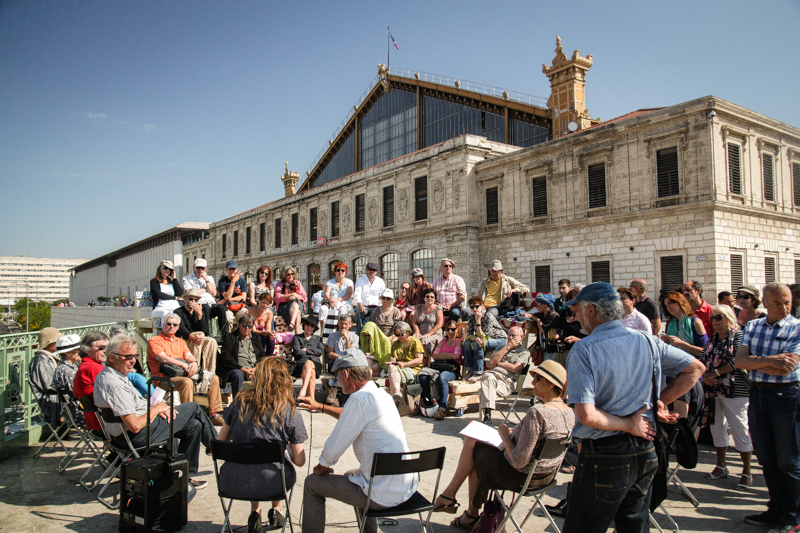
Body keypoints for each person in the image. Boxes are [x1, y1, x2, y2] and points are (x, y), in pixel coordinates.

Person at [561, 282, 704, 533]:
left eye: (579, 310)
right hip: (644, 450)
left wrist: (631, 422)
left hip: (605, 454)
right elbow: (695, 369)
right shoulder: (646, 340)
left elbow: (587, 415)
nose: (577, 317)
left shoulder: (584, 348)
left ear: (591, 310)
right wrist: (660, 402)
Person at [433, 360, 574, 529]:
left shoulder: (538, 412)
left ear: (551, 384)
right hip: (545, 477)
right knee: (475, 444)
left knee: (476, 452)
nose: (533, 383)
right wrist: (519, 432)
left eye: (537, 379)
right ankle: (457, 502)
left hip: (521, 477)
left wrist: (504, 435)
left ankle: (464, 508)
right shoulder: (569, 413)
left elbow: (519, 460)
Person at [297, 349, 418, 533]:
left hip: (382, 494)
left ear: (346, 374)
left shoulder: (358, 400)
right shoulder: (382, 395)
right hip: (406, 485)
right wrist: (321, 407)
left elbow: (333, 449)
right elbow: (350, 416)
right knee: (351, 474)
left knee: (312, 484)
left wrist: (322, 467)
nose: (338, 381)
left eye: (338, 376)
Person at [94, 333, 216, 490]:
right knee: (192, 407)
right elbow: (134, 426)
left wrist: (158, 409)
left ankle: (184, 476)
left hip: (133, 431)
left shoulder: (112, 375)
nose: (133, 361)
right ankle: (216, 445)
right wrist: (157, 409)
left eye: (134, 356)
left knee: (194, 426)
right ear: (112, 357)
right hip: (134, 436)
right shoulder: (114, 384)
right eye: (128, 357)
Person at [735, 283, 800, 532]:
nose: (784, 308)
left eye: (787, 302)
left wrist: (755, 362)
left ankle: (792, 516)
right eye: (777, 303)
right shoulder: (753, 326)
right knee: (767, 458)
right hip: (759, 394)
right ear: (765, 302)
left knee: (788, 460)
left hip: (786, 396)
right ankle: (776, 510)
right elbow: (740, 361)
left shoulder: (797, 327)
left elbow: (788, 367)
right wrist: (772, 360)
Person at [217, 357, 307, 532]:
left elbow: (221, 443)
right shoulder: (289, 410)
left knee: (252, 453)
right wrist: (287, 445)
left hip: (233, 480)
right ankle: (277, 509)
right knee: (276, 460)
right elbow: (300, 460)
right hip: (274, 483)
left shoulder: (239, 402)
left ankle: (255, 511)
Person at [697, 304, 752, 490]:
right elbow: (703, 359)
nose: (715, 321)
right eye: (713, 318)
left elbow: (738, 360)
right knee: (717, 427)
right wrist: (706, 376)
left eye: (719, 317)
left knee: (739, 428)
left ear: (730, 318)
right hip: (713, 390)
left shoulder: (738, 336)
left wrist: (716, 373)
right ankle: (721, 465)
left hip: (735, 389)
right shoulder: (713, 339)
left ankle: (747, 471)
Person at [147, 312, 225, 426]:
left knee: (213, 378)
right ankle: (189, 415)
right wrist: (183, 365)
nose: (171, 326)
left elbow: (188, 355)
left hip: (182, 373)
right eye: (168, 324)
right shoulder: (155, 340)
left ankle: (214, 414)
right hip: (163, 379)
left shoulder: (180, 341)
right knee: (186, 382)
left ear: (178, 327)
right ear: (163, 325)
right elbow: (162, 358)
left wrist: (193, 363)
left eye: (174, 325)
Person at [478, 326, 531, 427]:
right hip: (492, 377)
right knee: (488, 378)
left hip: (506, 382)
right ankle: (487, 418)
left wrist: (498, 364)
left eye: (513, 335)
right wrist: (507, 347)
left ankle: (486, 418)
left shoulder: (524, 352)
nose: (510, 338)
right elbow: (491, 362)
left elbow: (515, 368)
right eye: (509, 335)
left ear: (521, 337)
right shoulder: (502, 348)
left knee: (484, 387)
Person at [418, 319, 463, 420]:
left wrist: (442, 354)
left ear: (456, 330)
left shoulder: (458, 342)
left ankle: (442, 406)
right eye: (448, 329)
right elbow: (435, 355)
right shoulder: (442, 342)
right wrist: (448, 355)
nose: (450, 332)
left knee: (442, 377)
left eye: (453, 329)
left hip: (452, 369)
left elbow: (456, 356)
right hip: (439, 367)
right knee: (423, 375)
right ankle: (428, 401)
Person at [218, 314, 267, 398]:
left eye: (250, 326)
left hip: (254, 368)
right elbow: (226, 357)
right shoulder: (230, 338)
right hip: (237, 368)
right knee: (237, 374)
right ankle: (237, 401)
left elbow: (262, 355)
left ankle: (263, 401)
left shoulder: (255, 337)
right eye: (244, 325)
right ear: (239, 325)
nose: (247, 328)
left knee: (267, 372)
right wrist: (242, 369)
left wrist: (256, 368)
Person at [173, 289, 219, 375]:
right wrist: (191, 336)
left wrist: (200, 315)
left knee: (211, 341)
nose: (193, 302)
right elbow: (181, 328)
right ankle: (195, 371)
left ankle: (209, 372)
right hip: (184, 339)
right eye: (190, 299)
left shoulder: (199, 312)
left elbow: (205, 330)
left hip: (197, 338)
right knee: (198, 338)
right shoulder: (178, 312)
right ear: (185, 299)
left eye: (196, 300)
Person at [463, 296, 508, 382]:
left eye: (477, 306)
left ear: (482, 306)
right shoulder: (471, 317)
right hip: (486, 339)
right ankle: (470, 370)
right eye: (472, 307)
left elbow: (483, 336)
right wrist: (475, 338)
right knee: (467, 343)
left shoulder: (488, 316)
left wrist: (478, 321)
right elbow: (469, 334)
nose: (474, 309)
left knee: (478, 344)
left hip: (499, 339)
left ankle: (478, 372)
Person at [73, 331, 110, 432]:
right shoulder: (92, 368)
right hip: (105, 423)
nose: (106, 351)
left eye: (108, 347)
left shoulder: (85, 366)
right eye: (101, 348)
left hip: (96, 421)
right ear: (87, 350)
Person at [181, 258, 229, 334]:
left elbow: (214, 293)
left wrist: (206, 279)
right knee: (205, 307)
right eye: (198, 268)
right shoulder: (187, 278)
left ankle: (224, 334)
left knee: (221, 308)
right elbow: (190, 293)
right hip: (198, 304)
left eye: (202, 268)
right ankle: (206, 334)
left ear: (205, 268)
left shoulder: (209, 278)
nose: (200, 270)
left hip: (211, 304)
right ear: (194, 267)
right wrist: (205, 289)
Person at [29, 327, 63, 427]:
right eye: (56, 341)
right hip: (51, 404)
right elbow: (50, 385)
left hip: (56, 401)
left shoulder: (47, 357)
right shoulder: (41, 360)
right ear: (49, 343)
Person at [51, 334, 85, 428]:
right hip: (77, 413)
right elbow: (79, 393)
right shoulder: (67, 371)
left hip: (74, 411)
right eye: (78, 350)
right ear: (68, 353)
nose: (81, 352)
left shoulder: (67, 367)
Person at [660, 290, 708, 356]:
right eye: (666, 305)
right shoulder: (670, 323)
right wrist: (666, 341)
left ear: (680, 302)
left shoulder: (695, 322)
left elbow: (705, 352)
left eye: (670, 303)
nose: (668, 307)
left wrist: (681, 344)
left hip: (692, 360)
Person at [325, 315, 359, 403]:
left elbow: (351, 352)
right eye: (341, 323)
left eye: (346, 324)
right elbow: (330, 354)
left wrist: (347, 338)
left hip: (348, 365)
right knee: (343, 367)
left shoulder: (355, 337)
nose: (343, 326)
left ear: (350, 325)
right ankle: (344, 401)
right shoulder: (332, 336)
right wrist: (343, 358)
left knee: (345, 369)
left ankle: (336, 389)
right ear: (338, 323)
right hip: (335, 363)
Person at [387, 321, 425, 400]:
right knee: (391, 367)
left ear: (408, 332)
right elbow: (394, 358)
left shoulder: (415, 342)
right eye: (397, 335)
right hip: (399, 367)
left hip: (413, 368)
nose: (399, 337)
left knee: (392, 370)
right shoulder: (395, 344)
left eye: (401, 334)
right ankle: (396, 392)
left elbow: (419, 360)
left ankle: (396, 393)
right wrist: (392, 361)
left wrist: (405, 364)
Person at [291, 315, 324, 398]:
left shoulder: (318, 339)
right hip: (300, 364)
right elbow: (297, 352)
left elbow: (320, 352)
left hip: (315, 363)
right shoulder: (297, 337)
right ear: (304, 325)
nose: (309, 327)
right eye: (307, 325)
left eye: (312, 326)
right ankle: (312, 400)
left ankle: (303, 390)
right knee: (311, 371)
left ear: (314, 328)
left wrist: (306, 350)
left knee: (309, 364)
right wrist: (313, 353)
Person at [352, 262, 385, 333]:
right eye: (370, 270)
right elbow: (357, 294)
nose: (372, 271)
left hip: (376, 306)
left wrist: (382, 305)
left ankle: (378, 334)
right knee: (358, 310)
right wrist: (360, 304)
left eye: (374, 270)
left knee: (382, 312)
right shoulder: (360, 280)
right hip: (364, 306)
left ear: (376, 272)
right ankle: (360, 333)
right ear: (366, 270)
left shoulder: (380, 281)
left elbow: (383, 294)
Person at [321, 262, 354, 330]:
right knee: (322, 309)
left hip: (344, 303)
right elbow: (326, 293)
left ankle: (341, 331)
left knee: (342, 311)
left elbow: (348, 295)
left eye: (342, 270)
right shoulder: (330, 282)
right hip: (331, 303)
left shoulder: (349, 282)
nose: (340, 272)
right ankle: (323, 331)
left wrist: (336, 300)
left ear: (345, 272)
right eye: (338, 270)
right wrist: (330, 300)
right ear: (335, 272)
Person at [274, 266, 307, 334]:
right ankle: (297, 334)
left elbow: (304, 297)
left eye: (292, 274)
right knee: (297, 310)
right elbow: (277, 297)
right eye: (288, 274)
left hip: (297, 305)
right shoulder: (280, 284)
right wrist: (290, 295)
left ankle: (292, 324)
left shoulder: (297, 283)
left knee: (295, 302)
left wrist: (295, 296)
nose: (290, 276)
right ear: (284, 275)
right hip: (285, 307)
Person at [411, 288, 444, 355]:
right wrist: (417, 332)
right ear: (424, 298)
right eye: (427, 296)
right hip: (420, 334)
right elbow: (414, 322)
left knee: (424, 341)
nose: (429, 298)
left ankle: (426, 360)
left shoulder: (438, 308)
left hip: (434, 334)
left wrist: (429, 334)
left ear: (435, 299)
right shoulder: (418, 307)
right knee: (412, 340)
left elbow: (439, 324)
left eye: (432, 297)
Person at [532, 294, 560, 362]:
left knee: (548, 366)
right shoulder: (541, 314)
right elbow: (529, 315)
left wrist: (538, 320)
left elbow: (543, 329)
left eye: (538, 304)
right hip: (542, 347)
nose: (536, 307)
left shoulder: (554, 315)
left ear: (544, 305)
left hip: (550, 348)